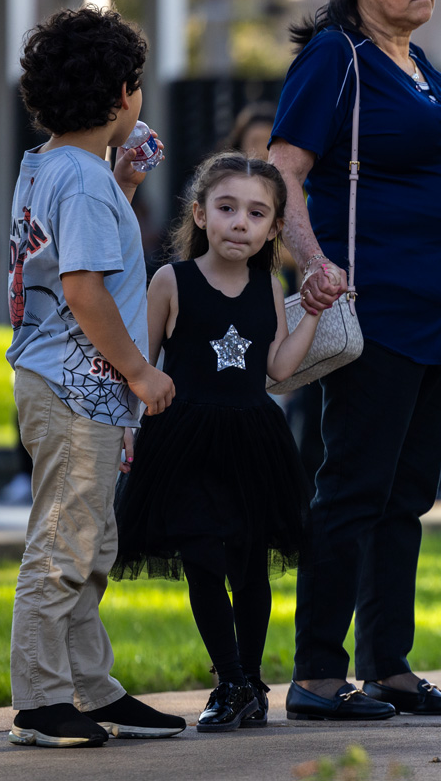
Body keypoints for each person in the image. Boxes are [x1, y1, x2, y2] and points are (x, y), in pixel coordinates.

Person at [268, 0, 441, 721]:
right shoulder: (338, 57)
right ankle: (318, 675)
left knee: (408, 495)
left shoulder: (417, 62)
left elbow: (430, 153)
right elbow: (282, 170)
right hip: (376, 307)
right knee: (353, 489)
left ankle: (389, 666)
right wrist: (314, 260)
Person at [5, 6, 185, 748]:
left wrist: (126, 179)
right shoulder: (80, 180)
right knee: (64, 541)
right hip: (78, 390)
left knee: (90, 538)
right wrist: (140, 369)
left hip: (66, 385)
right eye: (136, 85)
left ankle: (90, 687)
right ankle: (40, 700)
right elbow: (83, 288)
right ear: (123, 94)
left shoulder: (56, 165)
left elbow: (77, 258)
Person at [111, 153, 317, 732]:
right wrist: (128, 421)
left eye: (256, 213)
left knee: (249, 564)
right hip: (185, 438)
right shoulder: (171, 280)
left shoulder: (268, 285)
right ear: (200, 213)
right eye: (227, 209)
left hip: (253, 439)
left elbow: (276, 368)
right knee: (201, 555)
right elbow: (140, 359)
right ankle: (227, 680)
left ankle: (251, 682)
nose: (239, 223)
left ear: (274, 227)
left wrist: (310, 319)